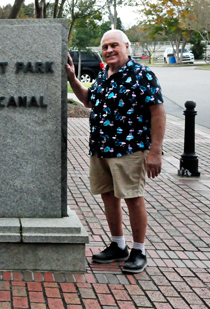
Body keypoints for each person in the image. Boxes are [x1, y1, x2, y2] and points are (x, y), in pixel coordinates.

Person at [66, 29, 166, 273]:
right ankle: (118, 245)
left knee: (132, 197)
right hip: (101, 147)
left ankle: (139, 250)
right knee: (109, 196)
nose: (109, 50)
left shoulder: (143, 75)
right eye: (105, 47)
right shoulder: (103, 73)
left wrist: (155, 152)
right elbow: (89, 100)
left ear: (126, 46)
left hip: (129, 149)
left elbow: (157, 112)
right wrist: (71, 78)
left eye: (114, 45)